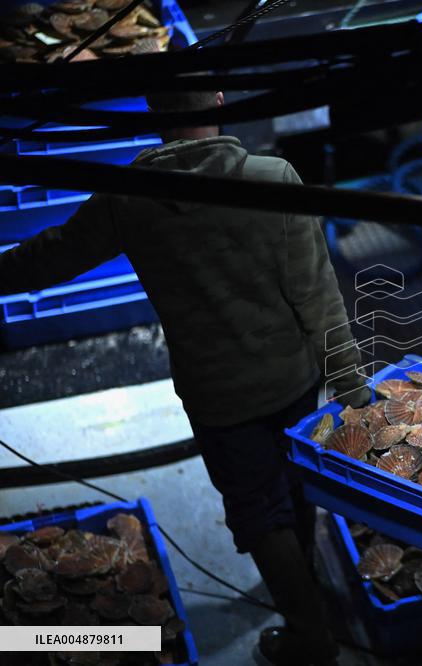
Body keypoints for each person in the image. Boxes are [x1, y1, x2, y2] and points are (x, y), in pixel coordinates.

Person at [0, 89, 371, 666]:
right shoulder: (273, 177)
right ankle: (310, 602)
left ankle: (310, 636)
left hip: (217, 395)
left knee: (256, 509)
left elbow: (49, 256)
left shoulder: (131, 199)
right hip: (293, 378)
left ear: (154, 114)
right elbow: (317, 294)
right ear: (217, 103)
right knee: (296, 487)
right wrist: (351, 386)